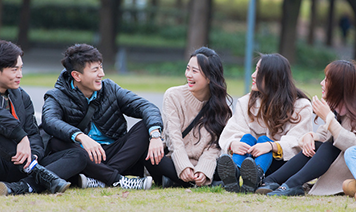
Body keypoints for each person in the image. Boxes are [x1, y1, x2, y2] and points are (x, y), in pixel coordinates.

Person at [41, 43, 164, 190]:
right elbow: (49, 120)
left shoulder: (110, 88)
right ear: (76, 75)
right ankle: (116, 179)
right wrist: (80, 136)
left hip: (112, 155)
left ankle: (100, 178)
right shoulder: (56, 96)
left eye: (101, 67)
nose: (102, 74)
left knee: (146, 127)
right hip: (81, 157)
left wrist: (155, 135)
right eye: (95, 70)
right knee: (57, 141)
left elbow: (146, 106)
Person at [256, 60, 356, 196]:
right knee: (315, 145)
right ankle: (271, 181)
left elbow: (352, 145)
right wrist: (310, 136)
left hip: (348, 174)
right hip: (334, 166)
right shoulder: (338, 111)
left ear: (339, 86)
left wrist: (328, 119)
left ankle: (292, 184)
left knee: (330, 146)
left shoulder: (351, 114)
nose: (321, 83)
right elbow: (323, 135)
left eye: (326, 80)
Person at [0, 40, 87, 195]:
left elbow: (33, 133)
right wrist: (21, 137)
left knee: (79, 155)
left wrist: (33, 154)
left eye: (21, 68)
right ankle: (39, 175)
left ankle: (21, 187)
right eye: (14, 70)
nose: (20, 74)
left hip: (21, 163)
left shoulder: (21, 96)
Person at [217, 53, 313, 193]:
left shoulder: (300, 106)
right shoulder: (246, 102)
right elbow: (233, 130)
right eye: (255, 69)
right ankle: (235, 173)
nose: (253, 75)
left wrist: (271, 146)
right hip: (250, 161)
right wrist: (234, 143)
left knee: (263, 140)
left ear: (273, 77)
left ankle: (257, 175)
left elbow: (298, 140)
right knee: (246, 138)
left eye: (259, 71)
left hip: (281, 166)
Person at [145, 47, 232, 187]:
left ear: (210, 77)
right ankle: (189, 181)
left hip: (201, 164)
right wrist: (184, 166)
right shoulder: (173, 96)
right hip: (173, 160)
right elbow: (174, 137)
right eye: (188, 69)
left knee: (225, 161)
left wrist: (204, 170)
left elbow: (215, 146)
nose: (188, 75)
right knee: (151, 157)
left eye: (194, 71)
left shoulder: (222, 108)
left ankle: (177, 181)